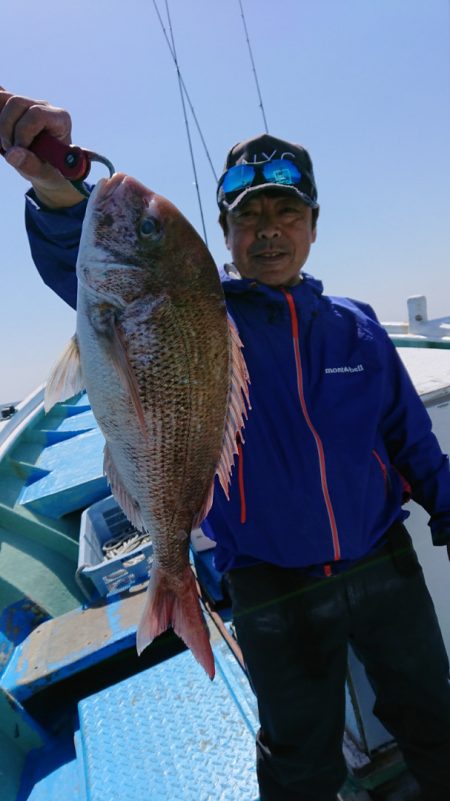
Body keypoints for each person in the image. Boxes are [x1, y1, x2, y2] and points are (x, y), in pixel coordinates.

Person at [2, 90, 450, 801]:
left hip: (382, 562)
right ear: (225, 233)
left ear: (314, 226)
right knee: (300, 762)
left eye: (287, 213)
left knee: (436, 721)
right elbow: (104, 278)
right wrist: (60, 193)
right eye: (248, 218)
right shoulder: (204, 312)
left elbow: (410, 439)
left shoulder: (359, 327)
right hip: (272, 583)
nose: (269, 231)